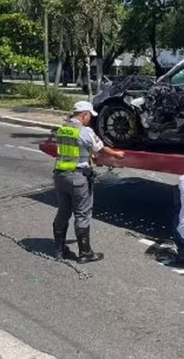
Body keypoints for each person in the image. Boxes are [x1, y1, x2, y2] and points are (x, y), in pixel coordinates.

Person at [52, 100, 125, 263]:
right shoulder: (85, 131)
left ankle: (59, 250)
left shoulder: (62, 129)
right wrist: (116, 154)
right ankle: (85, 253)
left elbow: (74, 149)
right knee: (82, 214)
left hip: (59, 176)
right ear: (84, 115)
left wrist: (88, 154)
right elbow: (101, 148)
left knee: (63, 211)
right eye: (89, 116)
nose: (90, 119)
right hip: (78, 178)